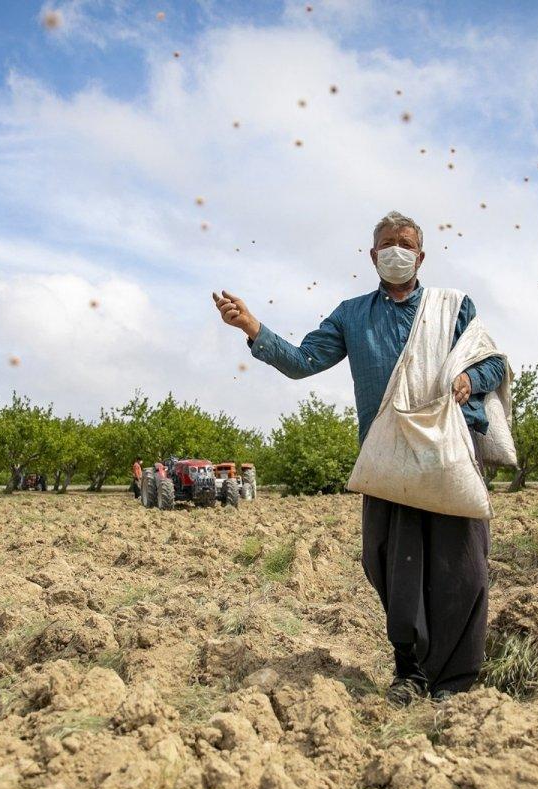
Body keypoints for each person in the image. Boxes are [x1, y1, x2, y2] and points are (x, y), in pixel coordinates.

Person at [213, 211, 506, 706]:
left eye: (405, 243)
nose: (396, 251)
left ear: (421, 255)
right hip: (388, 458)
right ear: (373, 256)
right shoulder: (352, 314)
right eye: (387, 244)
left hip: (449, 452)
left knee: (463, 567)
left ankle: (455, 681)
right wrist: (252, 326)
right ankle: (409, 673)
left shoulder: (452, 306)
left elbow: (493, 361)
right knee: (393, 565)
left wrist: (468, 380)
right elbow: (305, 361)